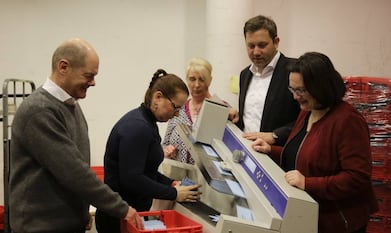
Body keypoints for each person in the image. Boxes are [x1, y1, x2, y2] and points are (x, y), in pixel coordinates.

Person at [9, 38, 143, 233]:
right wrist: (122, 209)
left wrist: (80, 211)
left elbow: (76, 161)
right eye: (88, 76)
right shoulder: (39, 111)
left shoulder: (70, 104)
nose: (93, 82)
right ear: (63, 67)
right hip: (40, 227)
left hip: (66, 223)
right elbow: (73, 171)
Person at [252, 52, 378, 233]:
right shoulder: (308, 111)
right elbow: (302, 156)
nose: (295, 97)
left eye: (301, 90)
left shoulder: (347, 120)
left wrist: (308, 183)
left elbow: (357, 177)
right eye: (292, 90)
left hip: (338, 221)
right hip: (309, 215)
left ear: (321, 87)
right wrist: (271, 150)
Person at [95, 69, 202, 233]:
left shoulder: (146, 122)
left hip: (131, 213)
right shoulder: (139, 127)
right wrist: (173, 193)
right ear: (158, 97)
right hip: (119, 218)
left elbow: (147, 171)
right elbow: (132, 179)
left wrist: (170, 183)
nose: (177, 114)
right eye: (175, 107)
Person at [236, 15, 300, 146]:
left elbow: (308, 119)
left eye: (262, 45)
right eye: (251, 46)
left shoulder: (294, 71)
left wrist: (275, 135)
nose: (256, 52)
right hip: (247, 150)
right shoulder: (244, 75)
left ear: (276, 42)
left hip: (279, 154)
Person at [162, 57, 234, 164]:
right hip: (179, 176)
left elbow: (229, 150)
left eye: (201, 79)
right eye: (192, 79)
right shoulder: (179, 108)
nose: (196, 85)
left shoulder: (222, 109)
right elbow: (165, 143)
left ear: (209, 81)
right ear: (187, 80)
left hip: (206, 178)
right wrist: (166, 150)